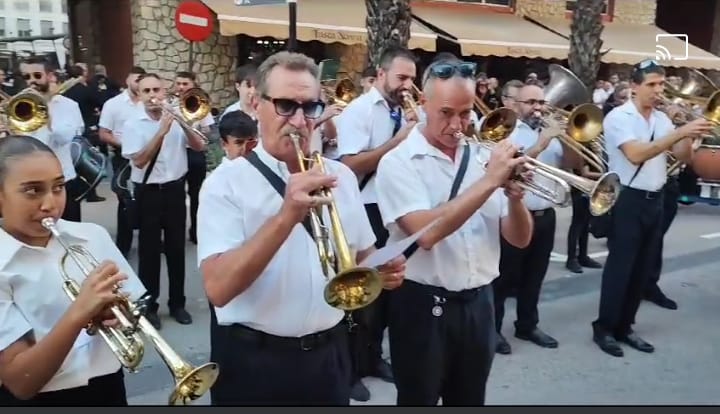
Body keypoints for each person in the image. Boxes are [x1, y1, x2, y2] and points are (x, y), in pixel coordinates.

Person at [196, 51, 406, 406]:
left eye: (309, 108)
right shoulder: (224, 183)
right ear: (256, 105)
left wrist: (381, 268)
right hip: (253, 362)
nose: (298, 120)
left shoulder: (339, 176)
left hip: (329, 355)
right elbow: (218, 288)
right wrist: (285, 216)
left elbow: (359, 256)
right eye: (284, 106)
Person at [375, 60, 533, 405]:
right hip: (422, 304)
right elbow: (425, 235)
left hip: (479, 302)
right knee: (419, 399)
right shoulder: (398, 162)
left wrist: (516, 198)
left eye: (465, 113)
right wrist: (491, 181)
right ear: (423, 104)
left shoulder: (483, 155)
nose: (457, 125)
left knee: (470, 398)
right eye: (446, 112)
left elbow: (519, 239)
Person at [0, 135, 147, 406]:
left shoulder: (92, 235)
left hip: (108, 387)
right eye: (32, 190)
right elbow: (20, 381)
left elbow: (134, 306)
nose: (50, 204)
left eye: (58, 187)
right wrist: (81, 312)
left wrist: (116, 312)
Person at [592, 59, 713, 357]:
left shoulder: (662, 119)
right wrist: (676, 131)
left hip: (655, 199)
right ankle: (604, 328)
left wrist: (686, 134)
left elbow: (682, 158)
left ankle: (626, 327)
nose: (659, 91)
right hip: (628, 199)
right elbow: (636, 154)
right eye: (652, 85)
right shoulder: (619, 117)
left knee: (642, 267)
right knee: (620, 268)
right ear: (634, 87)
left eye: (661, 84)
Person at [335, 46, 418, 397]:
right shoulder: (359, 111)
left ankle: (373, 357)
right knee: (360, 291)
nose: (408, 86)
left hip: (397, 206)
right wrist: (398, 141)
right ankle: (350, 368)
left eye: (412, 79)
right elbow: (350, 166)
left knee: (387, 290)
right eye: (402, 78)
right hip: (366, 205)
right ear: (381, 75)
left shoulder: (410, 110)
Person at [493, 84, 582, 355]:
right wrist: (542, 142)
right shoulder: (507, 131)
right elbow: (511, 167)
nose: (538, 107)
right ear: (516, 105)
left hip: (546, 214)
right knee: (504, 278)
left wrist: (568, 138)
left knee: (535, 275)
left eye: (541, 102)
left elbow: (573, 164)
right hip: (515, 214)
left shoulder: (552, 131)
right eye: (531, 102)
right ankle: (492, 330)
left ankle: (527, 324)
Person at [121, 73, 206, 329]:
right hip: (148, 192)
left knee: (176, 249)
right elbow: (138, 160)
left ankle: (177, 304)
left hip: (174, 191)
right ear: (139, 94)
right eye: (146, 91)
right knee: (149, 253)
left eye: (156, 90)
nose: (152, 96)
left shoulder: (176, 115)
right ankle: (150, 305)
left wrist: (182, 123)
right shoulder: (133, 123)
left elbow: (200, 146)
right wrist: (161, 131)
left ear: (164, 92)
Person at [17, 56, 85, 223]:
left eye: (37, 75)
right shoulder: (20, 106)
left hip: (62, 181)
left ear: (50, 76)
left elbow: (62, 138)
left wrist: (44, 109)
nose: (32, 81)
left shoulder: (69, 105)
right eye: (27, 77)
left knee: (69, 232)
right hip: (30, 183)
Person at [97, 66, 146, 257]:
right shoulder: (113, 104)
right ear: (127, 80)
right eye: (135, 80)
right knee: (125, 199)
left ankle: (150, 241)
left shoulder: (148, 102)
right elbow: (103, 133)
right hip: (122, 155)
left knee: (145, 197)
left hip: (147, 155)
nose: (138, 84)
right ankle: (123, 245)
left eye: (141, 80)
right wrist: (124, 144)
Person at [172, 71, 215, 245]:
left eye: (185, 84)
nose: (181, 87)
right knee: (176, 196)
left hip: (195, 153)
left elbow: (208, 131)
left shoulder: (199, 102)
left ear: (193, 84)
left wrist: (193, 126)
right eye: (179, 83)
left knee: (197, 195)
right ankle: (176, 232)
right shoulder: (169, 104)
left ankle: (196, 232)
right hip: (175, 153)